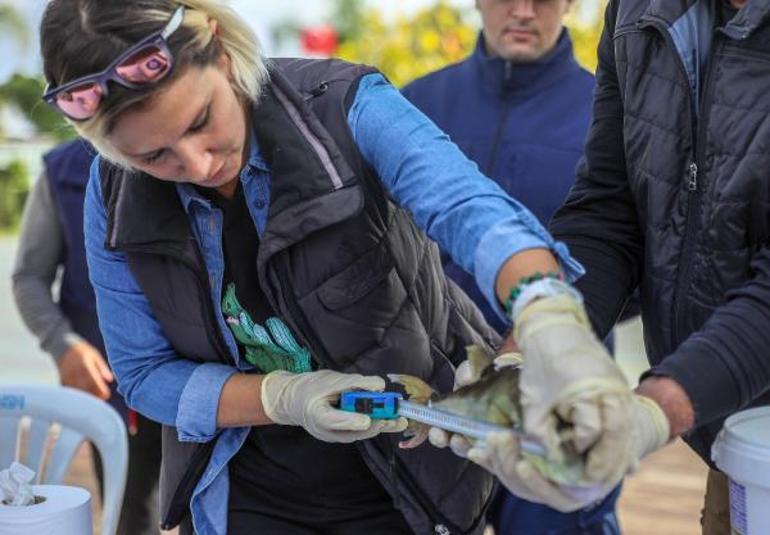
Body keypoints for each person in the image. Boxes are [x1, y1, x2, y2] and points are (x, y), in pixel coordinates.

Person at [39, 1, 659, 533]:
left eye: (201, 122)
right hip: (246, 492)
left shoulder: (343, 105)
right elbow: (144, 374)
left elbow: (466, 206)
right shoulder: (112, 191)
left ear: (224, 54)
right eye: (153, 156)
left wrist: (543, 306)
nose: (198, 165)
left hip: (404, 482)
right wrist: (285, 397)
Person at [434, 0, 770, 532]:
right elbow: (610, 211)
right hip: (738, 446)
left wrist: (654, 410)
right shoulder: (638, 13)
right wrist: (532, 347)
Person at [403, 1, 622, 531]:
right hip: (435, 379)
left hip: (559, 383)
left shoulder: (609, 114)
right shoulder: (414, 106)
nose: (523, 11)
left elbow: (634, 251)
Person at [11, 138, 162, 535]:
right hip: (116, 386)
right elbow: (29, 277)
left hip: (212, 376)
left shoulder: (194, 149)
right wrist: (64, 345)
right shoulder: (62, 173)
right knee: (134, 511)